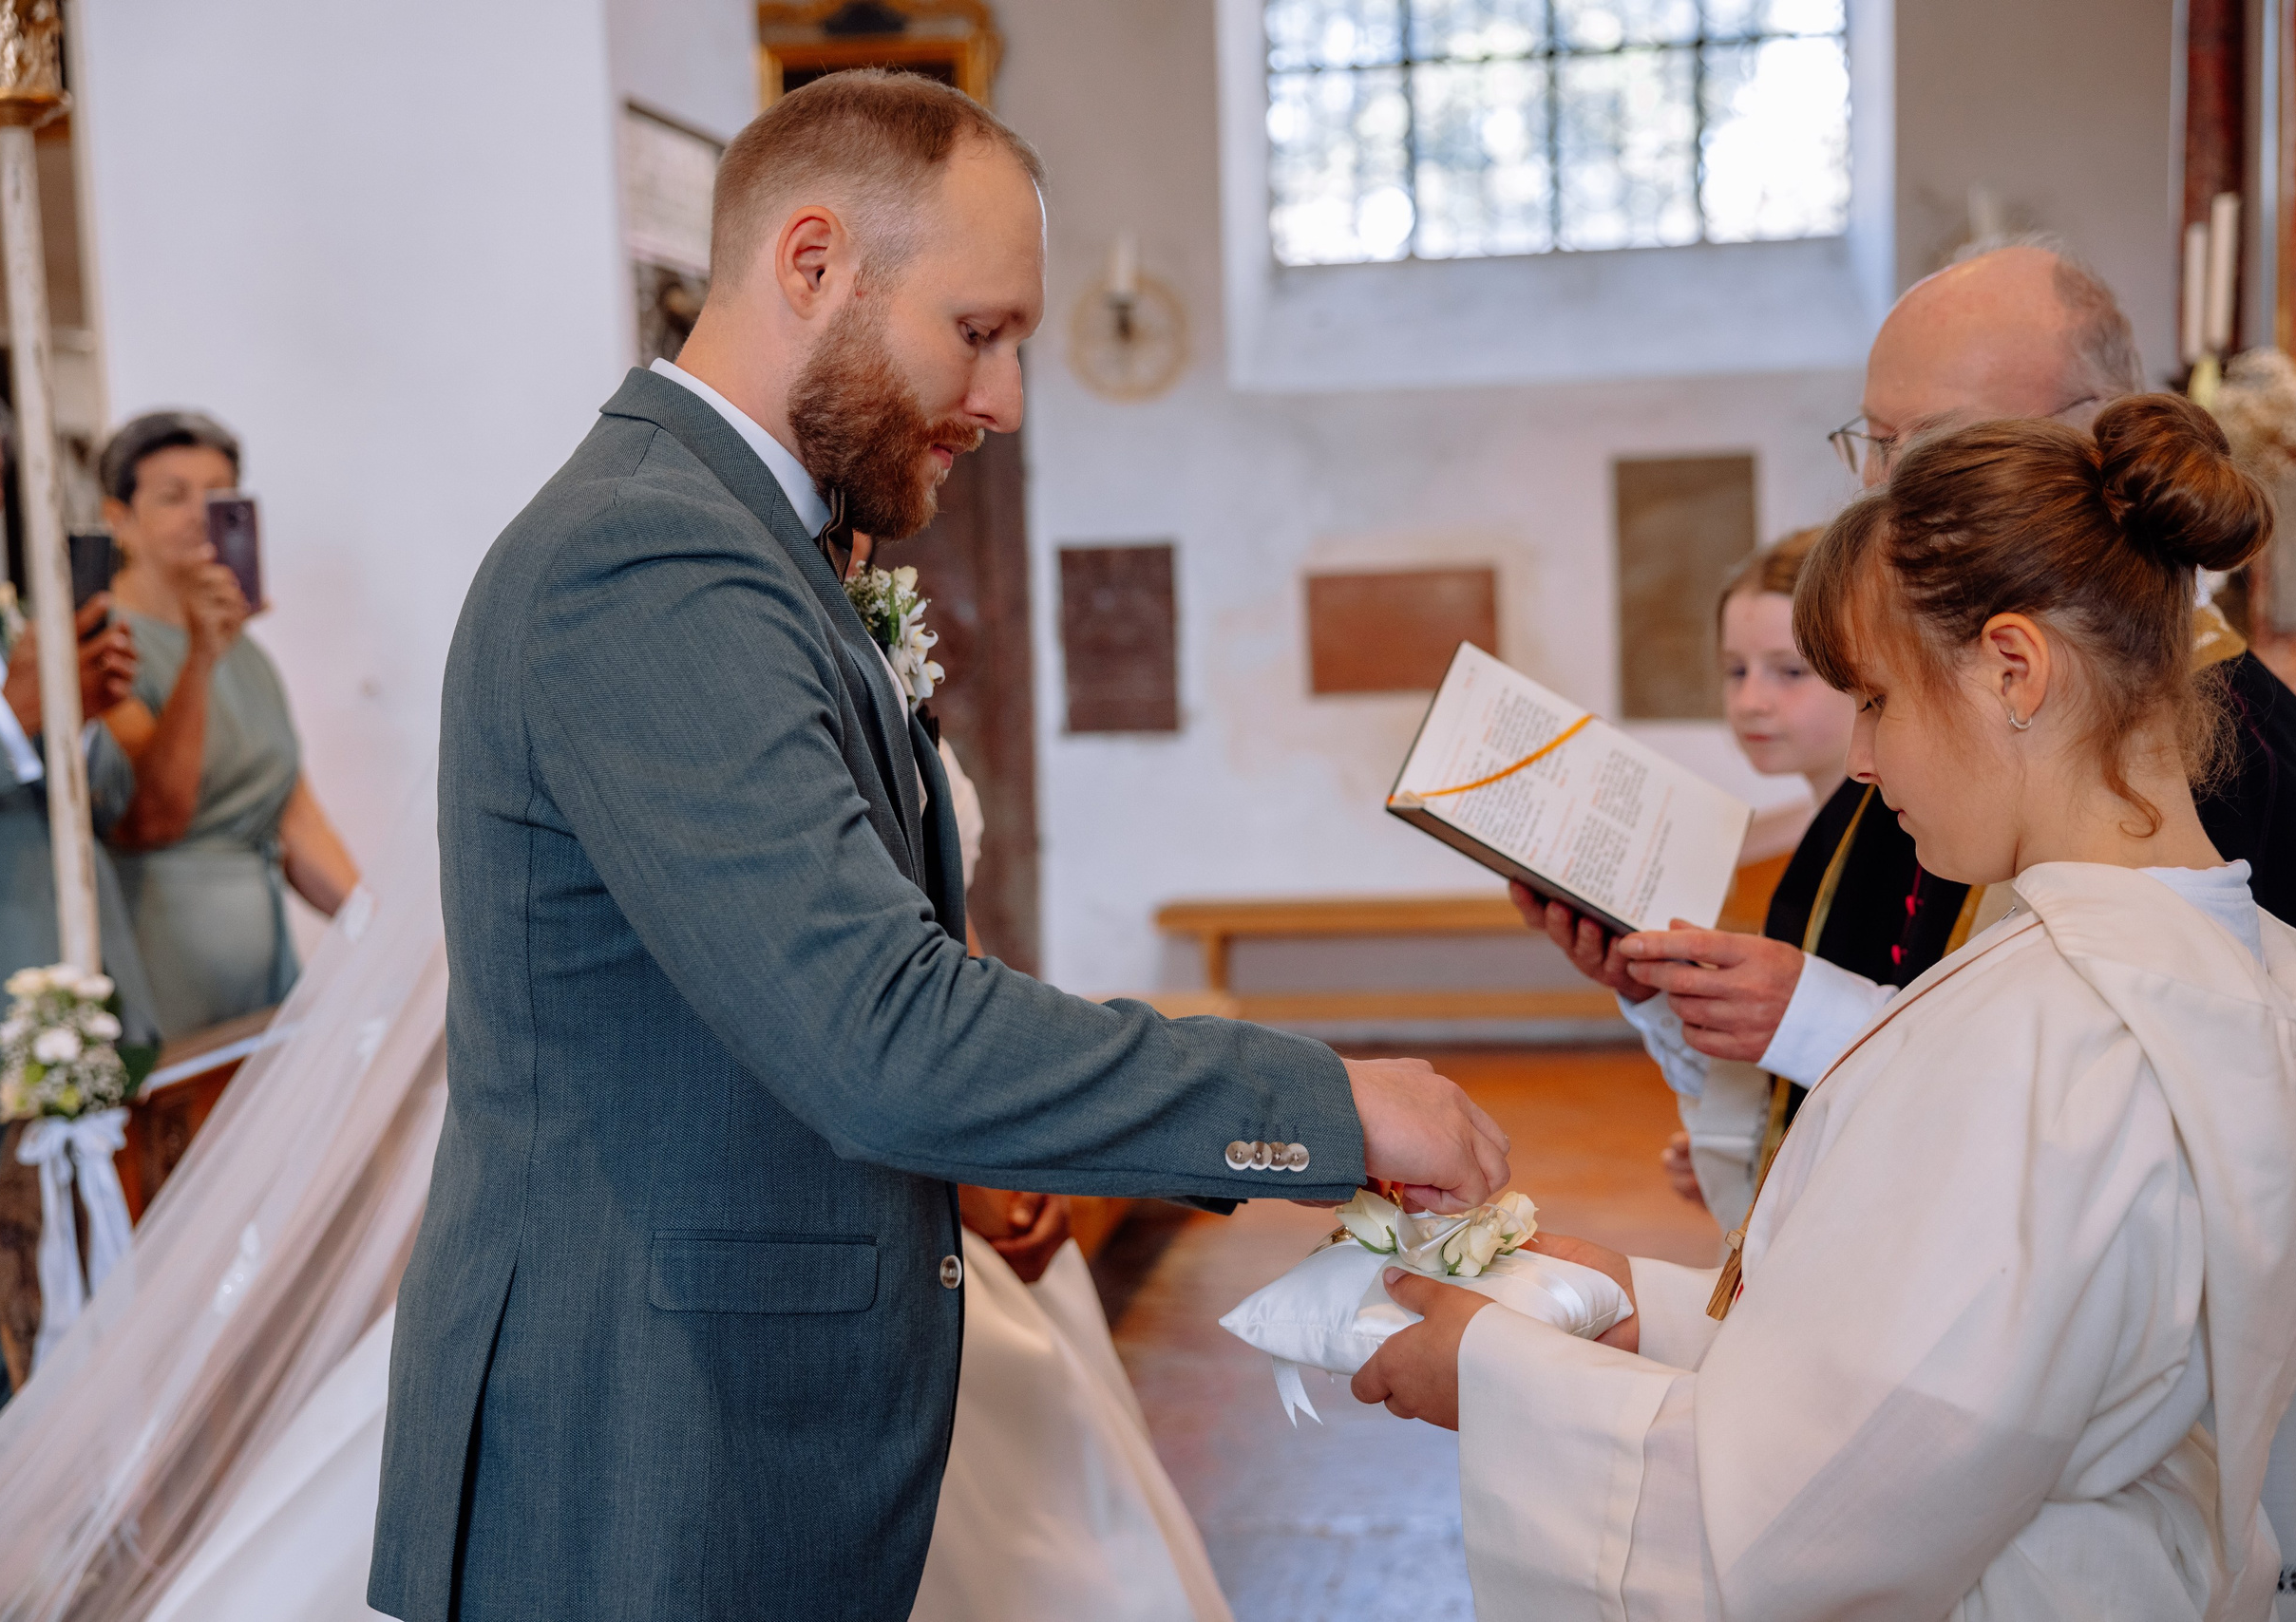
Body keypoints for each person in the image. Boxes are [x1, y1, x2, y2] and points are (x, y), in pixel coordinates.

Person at [370, 71, 1510, 1622]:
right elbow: (874, 1027)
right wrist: (1327, 1102)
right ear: (813, 262)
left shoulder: (745, 538)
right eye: (979, 332)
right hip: (646, 1442)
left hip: (729, 1402)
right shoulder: (648, 553)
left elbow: (767, 996)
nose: (1006, 400)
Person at [1361, 395, 2296, 1617]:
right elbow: (1959, 1383)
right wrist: (1644, 1301)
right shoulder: (2242, 969)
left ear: (2013, 668)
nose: (1858, 757)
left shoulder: (2051, 1035)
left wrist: (1496, 1376)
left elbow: (1813, 1527)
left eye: (1878, 701)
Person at [1566, 527, 1988, 1233]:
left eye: (1789, 672)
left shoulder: (1917, 835)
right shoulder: (1820, 827)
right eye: (1735, 671)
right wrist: (1737, 1148)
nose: (1752, 701)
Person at [915, 741, 1230, 1622]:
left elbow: (952, 945)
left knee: (1077, 1485)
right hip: (894, 1176)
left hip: (966, 1120)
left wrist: (1026, 1133)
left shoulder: (889, 652)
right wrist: (972, 1165)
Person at [0, 375, 161, 1450]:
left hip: (53, 1011)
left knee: (36, 1299)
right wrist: (10, 714)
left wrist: (80, 711)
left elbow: (110, 799)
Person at [95, 411, 357, 1038]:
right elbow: (154, 813)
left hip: (259, 971)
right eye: (172, 495)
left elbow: (295, 819)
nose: (198, 513)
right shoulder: (100, 647)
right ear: (118, 520)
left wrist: (380, 932)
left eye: (218, 496)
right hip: (157, 957)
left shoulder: (248, 654)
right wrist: (200, 659)